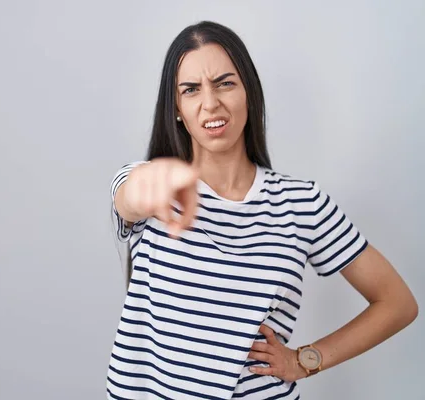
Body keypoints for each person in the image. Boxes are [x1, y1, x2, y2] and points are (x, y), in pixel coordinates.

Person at [106, 21, 418, 400]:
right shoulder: (149, 180)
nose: (210, 103)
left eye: (224, 83)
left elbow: (398, 303)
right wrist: (151, 188)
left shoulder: (303, 204)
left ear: (248, 93)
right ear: (177, 109)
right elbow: (130, 198)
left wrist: (306, 360)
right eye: (190, 90)